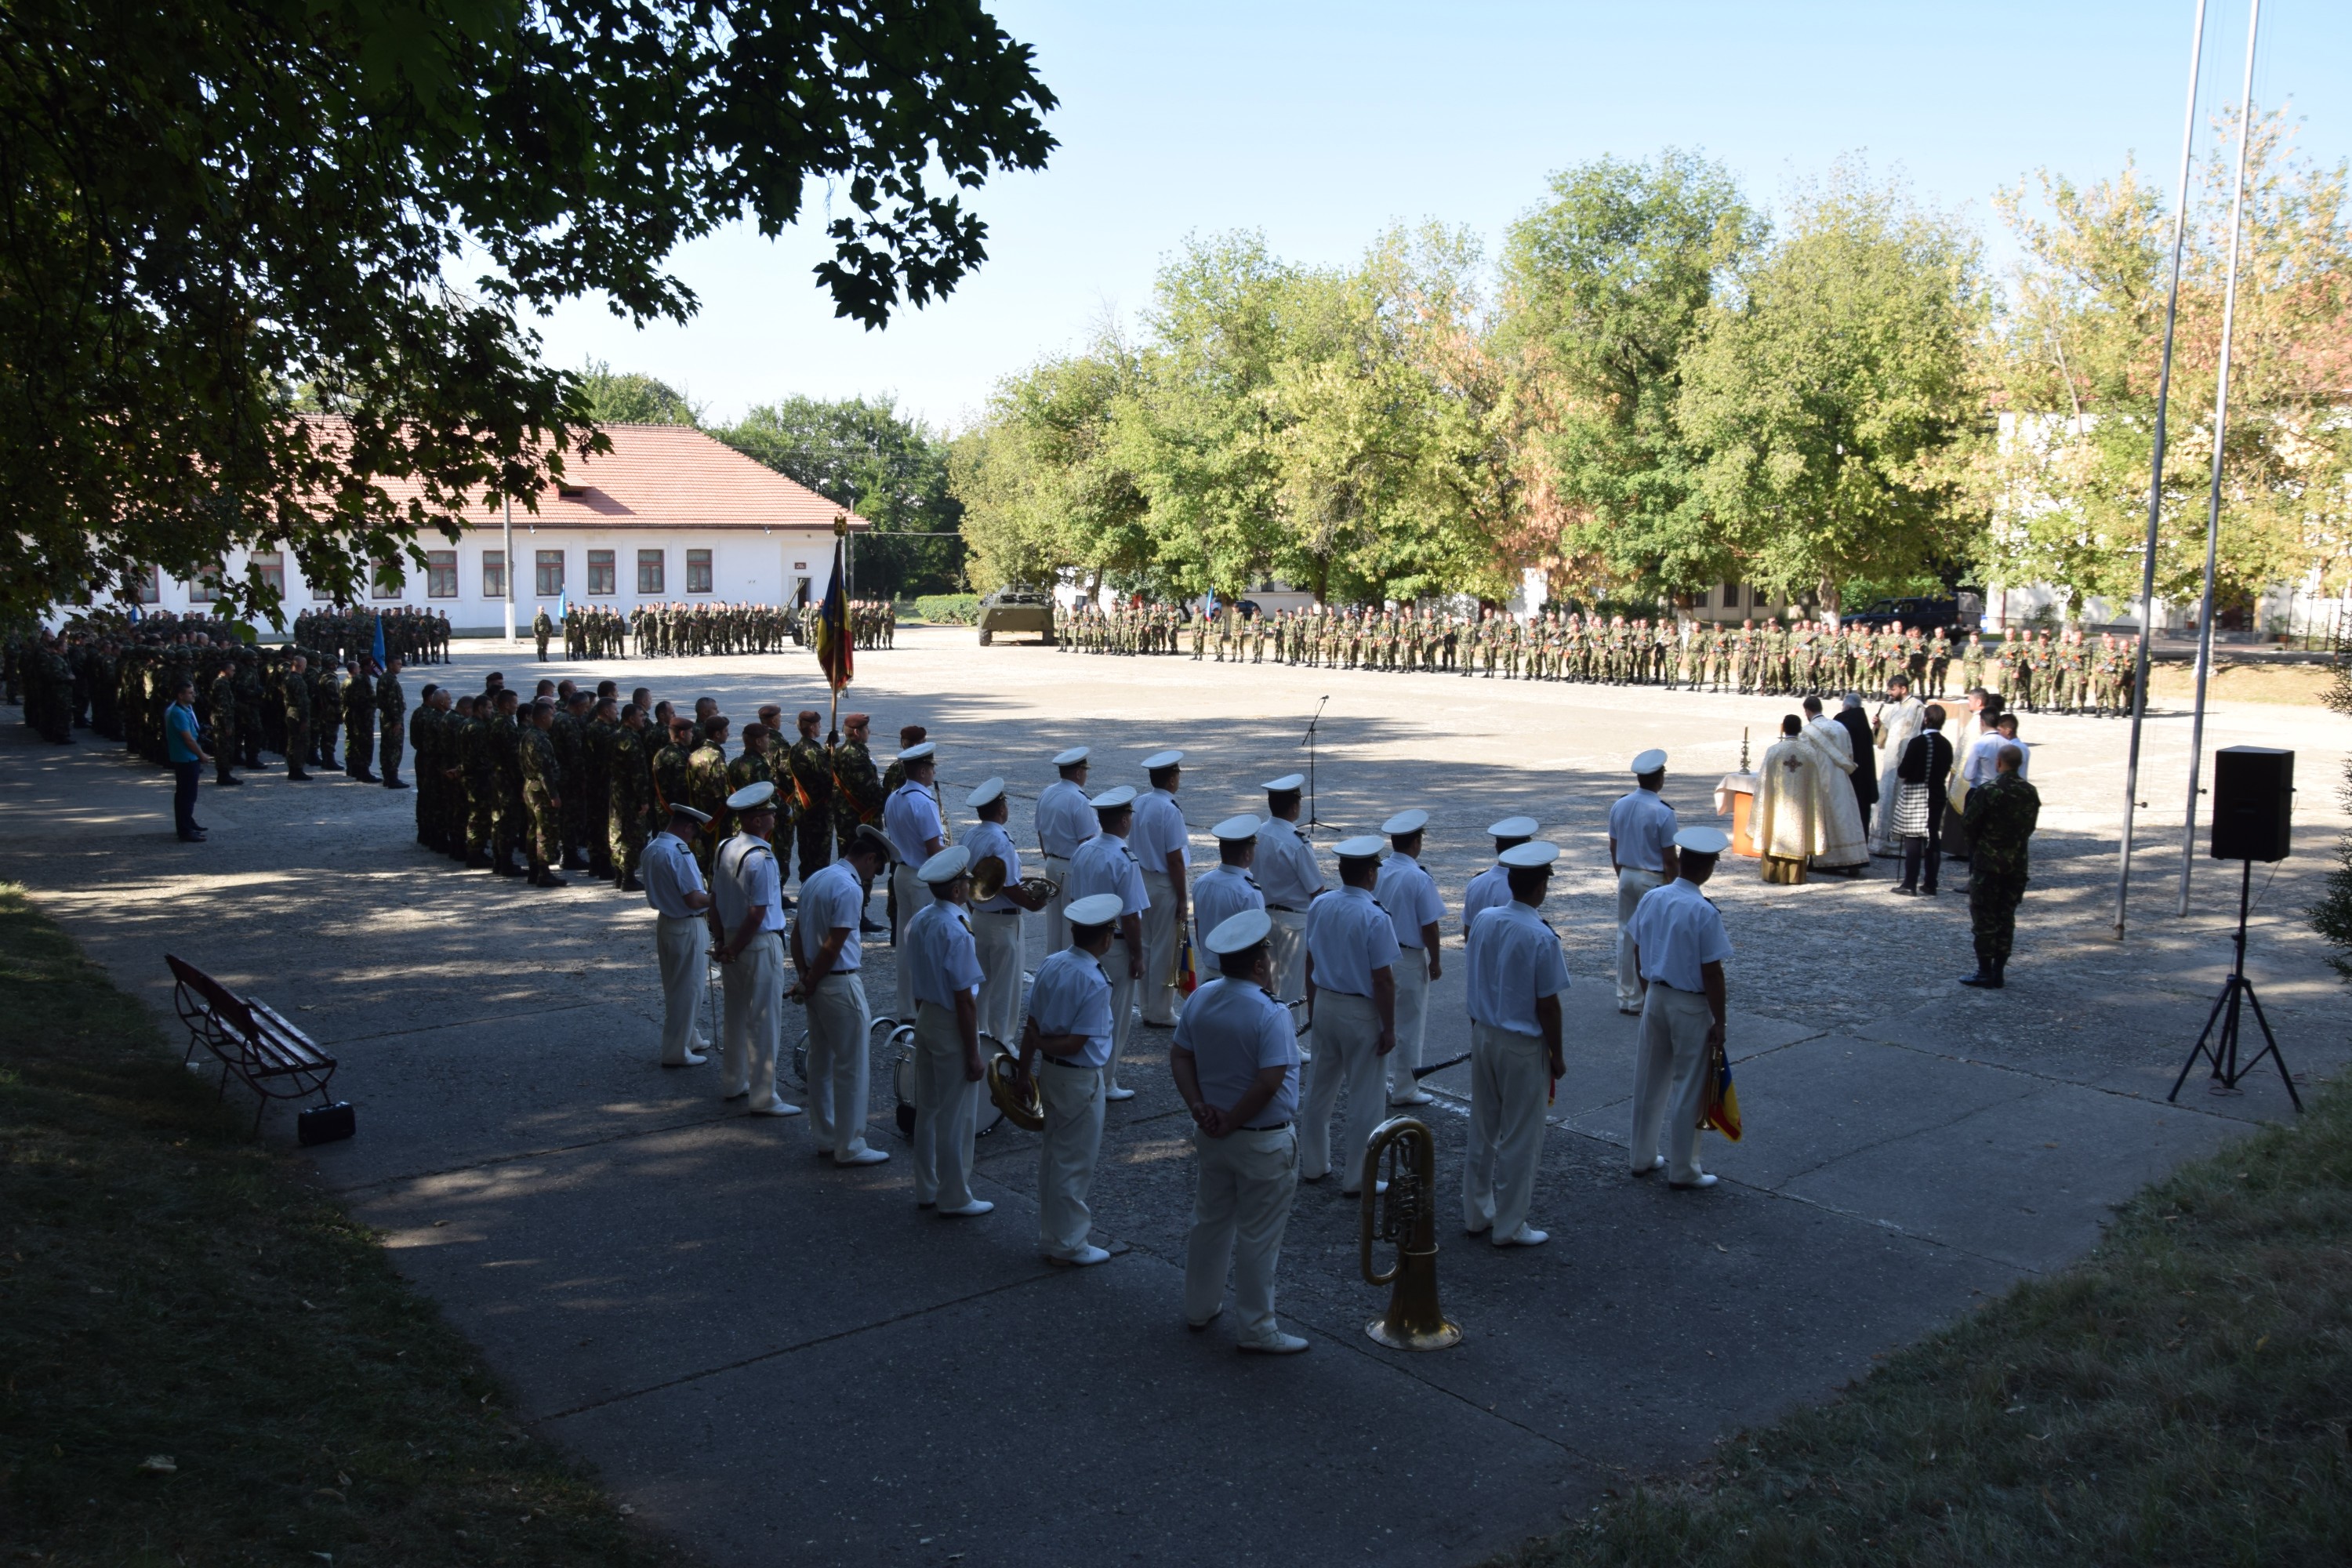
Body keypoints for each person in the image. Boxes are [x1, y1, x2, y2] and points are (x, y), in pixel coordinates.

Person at [1171, 908, 1308, 1353]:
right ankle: (1256, 1328)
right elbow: (1269, 1082)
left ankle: (1199, 1306)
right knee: (1258, 1237)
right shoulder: (1271, 1013)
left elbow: (1181, 1056)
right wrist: (1230, 1118)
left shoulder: (1201, 998)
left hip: (1212, 1132)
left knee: (1209, 1222)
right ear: (1258, 963)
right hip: (1262, 1138)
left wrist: (1199, 1107)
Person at [1461, 840, 1570, 1246]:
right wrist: (1557, 1055)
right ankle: (1509, 1225)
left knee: (1483, 1128)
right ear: (1541, 886)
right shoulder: (1541, 936)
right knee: (1521, 1138)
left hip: (1485, 1033)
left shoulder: (1487, 919)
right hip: (1522, 1044)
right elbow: (1549, 1005)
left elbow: (1475, 976)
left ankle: (1476, 1212)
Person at [1624, 827, 1735, 1190]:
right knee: (1689, 1084)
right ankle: (1684, 1168)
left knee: (1649, 1079)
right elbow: (1712, 972)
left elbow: (1637, 945)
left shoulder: (1655, 898)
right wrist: (1720, 1020)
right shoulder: (1704, 911)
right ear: (1708, 868)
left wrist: (1647, 990)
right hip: (1689, 1003)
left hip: (1656, 993)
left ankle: (1641, 1156)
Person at [1020, 891, 1124, 1265]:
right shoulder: (1096, 981)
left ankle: (1053, 1234)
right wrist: (1043, 1043)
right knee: (1074, 1162)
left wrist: (1023, 1068)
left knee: (1053, 1157)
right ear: (1108, 938)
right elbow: (1077, 1042)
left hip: (1050, 1072)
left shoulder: (1051, 963)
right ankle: (1068, 1243)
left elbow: (1031, 1023)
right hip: (1079, 1078)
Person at [1300, 835, 1399, 1196]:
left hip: (1326, 1000)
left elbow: (1310, 959)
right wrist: (1389, 1027)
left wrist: (1313, 1004)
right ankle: (1359, 1175)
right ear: (1371, 874)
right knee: (1366, 1098)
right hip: (1360, 1010)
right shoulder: (1375, 914)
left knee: (1319, 1090)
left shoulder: (1321, 905)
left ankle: (1313, 1163)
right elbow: (1383, 980)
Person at [792, 825, 893, 1165]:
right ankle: (850, 1145)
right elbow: (834, 944)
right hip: (838, 982)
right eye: (875, 869)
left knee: (820, 1062)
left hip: (817, 980)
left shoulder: (817, 877)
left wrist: (805, 977)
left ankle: (826, 1136)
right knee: (851, 1066)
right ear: (869, 858)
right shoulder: (849, 888)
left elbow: (796, 933)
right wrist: (811, 979)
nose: (872, 877)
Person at [903, 845, 993, 1216]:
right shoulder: (957, 930)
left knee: (929, 1109)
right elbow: (965, 1000)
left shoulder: (921, 919)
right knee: (956, 1115)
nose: (970, 886)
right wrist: (973, 1052)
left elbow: (916, 976)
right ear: (956, 890)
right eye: (966, 882)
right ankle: (954, 1194)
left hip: (926, 1017)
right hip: (949, 1023)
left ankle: (927, 1187)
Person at [710, 781, 799, 1118]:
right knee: (764, 1020)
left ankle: (733, 1081)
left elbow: (715, 900)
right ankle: (764, 1096)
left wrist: (721, 942)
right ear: (758, 819)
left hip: (733, 939)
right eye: (770, 812)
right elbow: (758, 912)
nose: (774, 816)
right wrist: (733, 945)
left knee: (734, 1013)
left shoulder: (725, 847)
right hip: (757, 943)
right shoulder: (762, 858)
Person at [1064, 786, 1148, 1102]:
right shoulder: (1125, 858)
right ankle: (1106, 1080)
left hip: (1085, 941)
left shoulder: (1084, 850)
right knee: (1115, 1018)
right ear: (1125, 820)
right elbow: (1131, 916)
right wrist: (1138, 955)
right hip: (1114, 943)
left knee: (1084, 1012)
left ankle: (1087, 1073)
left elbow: (1074, 898)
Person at [962, 778, 1047, 1048]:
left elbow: (966, 878)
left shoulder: (970, 835)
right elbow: (1009, 887)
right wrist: (1034, 904)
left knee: (982, 985)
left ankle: (978, 1035)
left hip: (979, 917)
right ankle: (1002, 1042)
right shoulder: (1001, 841)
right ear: (1001, 809)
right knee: (1006, 988)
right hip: (1004, 922)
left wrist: (974, 908)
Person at [1373, 809, 1443, 1107]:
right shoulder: (1418, 877)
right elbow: (1429, 924)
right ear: (1416, 843)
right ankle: (1405, 1088)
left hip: (1377, 953)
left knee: (1377, 1021)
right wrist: (1436, 959)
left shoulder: (1378, 870)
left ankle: (1375, 1084)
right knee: (1410, 1025)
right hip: (1408, 956)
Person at [1960, 744, 2041, 989]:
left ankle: (1984, 970)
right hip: (2016, 864)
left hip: (1988, 864)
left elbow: (1969, 823)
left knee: (1984, 917)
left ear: (1999, 763)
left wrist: (1981, 844)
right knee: (2006, 917)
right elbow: (2029, 827)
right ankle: (1999, 970)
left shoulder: (1990, 790)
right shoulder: (2029, 791)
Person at [642, 802, 713, 1067]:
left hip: (667, 922)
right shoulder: (680, 852)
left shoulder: (654, 848)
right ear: (687, 827)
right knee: (689, 989)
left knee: (676, 985)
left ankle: (689, 1036)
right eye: (694, 833)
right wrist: (717, 898)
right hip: (688, 924)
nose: (693, 839)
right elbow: (695, 899)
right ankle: (675, 1051)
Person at [1606, 752, 1679, 1015]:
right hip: (1653, 878)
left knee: (1626, 935)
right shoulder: (1663, 812)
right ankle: (1644, 997)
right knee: (1649, 939)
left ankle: (1626, 997)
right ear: (1660, 777)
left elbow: (1614, 846)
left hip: (1627, 874)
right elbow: (1670, 858)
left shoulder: (1620, 805)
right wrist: (1676, 884)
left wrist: (1622, 873)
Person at [884, 741, 947, 1021]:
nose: (933, 772)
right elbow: (933, 848)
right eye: (931, 768)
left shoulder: (895, 797)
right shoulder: (923, 801)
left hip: (902, 872)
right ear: (923, 771)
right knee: (926, 945)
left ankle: (907, 1008)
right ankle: (926, 1007)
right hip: (924, 876)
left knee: (906, 943)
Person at [1131, 750, 1192, 1027]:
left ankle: (1146, 1006)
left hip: (1142, 878)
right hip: (1165, 882)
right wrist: (1182, 897)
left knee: (1145, 944)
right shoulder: (1170, 809)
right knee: (1165, 948)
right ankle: (1160, 1011)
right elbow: (1175, 859)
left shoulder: (1140, 802)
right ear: (1171, 780)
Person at [1252, 772, 1323, 1005]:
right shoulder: (1296, 842)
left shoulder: (1257, 834)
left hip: (1263, 916)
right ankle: (1287, 1037)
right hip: (1293, 922)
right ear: (1294, 806)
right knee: (1291, 989)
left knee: (1265, 984)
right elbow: (1316, 889)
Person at [1034, 746, 1097, 954]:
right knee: (1072, 927)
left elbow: (1041, 833)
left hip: (1052, 863)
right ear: (1079, 773)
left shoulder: (1047, 793)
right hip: (1072, 867)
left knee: (1054, 926)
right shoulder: (1079, 799)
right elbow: (1088, 842)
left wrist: (1050, 858)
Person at [1798, 695, 1870, 875]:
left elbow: (1806, 761)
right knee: (1846, 819)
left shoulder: (1807, 732)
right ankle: (1853, 860)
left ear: (1807, 711)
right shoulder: (1840, 727)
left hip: (1822, 782)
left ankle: (1824, 860)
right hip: (1842, 781)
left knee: (1826, 821)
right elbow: (1849, 756)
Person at [1892, 705, 1955, 897]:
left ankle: (1910, 883)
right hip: (1937, 794)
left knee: (1913, 838)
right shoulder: (1946, 744)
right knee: (1933, 837)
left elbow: (1903, 771)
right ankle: (1931, 883)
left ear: (1926, 719)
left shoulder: (1918, 742)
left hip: (1916, 793)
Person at [1752, 715, 1817, 884]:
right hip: (1800, 807)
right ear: (1800, 729)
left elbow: (1763, 781)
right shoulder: (1809, 752)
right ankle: (1795, 876)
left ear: (1783, 728)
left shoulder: (1774, 751)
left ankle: (1773, 873)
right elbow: (1816, 785)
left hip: (1777, 805)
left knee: (1775, 829)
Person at [1462, 815, 1538, 956]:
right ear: (1526, 849)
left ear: (1497, 846)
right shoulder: (1523, 886)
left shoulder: (1476, 882)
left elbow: (1469, 930)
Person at [1868, 675, 1926, 857]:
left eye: (1893, 690)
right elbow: (1883, 735)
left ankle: (1898, 845)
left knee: (1900, 800)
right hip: (1890, 763)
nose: (1890, 693)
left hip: (1905, 763)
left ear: (1903, 688)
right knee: (1885, 798)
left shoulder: (1917, 707)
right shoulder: (1895, 708)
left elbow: (1917, 735)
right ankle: (1880, 844)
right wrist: (1878, 726)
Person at [1192, 815, 1267, 953]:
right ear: (1247, 855)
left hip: (1209, 967)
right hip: (1238, 971)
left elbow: (1199, 927)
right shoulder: (1249, 892)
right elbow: (1257, 940)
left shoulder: (1201, 882)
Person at [164, 679, 209, 842]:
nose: (194, 694)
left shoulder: (184, 709)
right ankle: (185, 830)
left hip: (187, 756)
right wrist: (202, 755)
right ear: (180, 695)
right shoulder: (178, 712)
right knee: (186, 796)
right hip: (186, 757)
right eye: (190, 692)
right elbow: (188, 739)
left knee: (188, 794)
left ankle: (188, 822)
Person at [1833, 694, 1878, 839]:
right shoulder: (1863, 723)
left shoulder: (1843, 721)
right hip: (1864, 777)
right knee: (1861, 812)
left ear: (1847, 706)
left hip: (1849, 776)